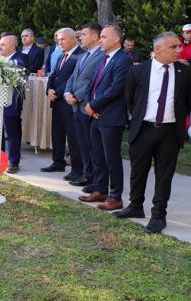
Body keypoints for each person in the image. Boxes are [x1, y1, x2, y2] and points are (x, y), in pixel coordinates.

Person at [116, 32, 191, 233]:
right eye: (173, 47)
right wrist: (140, 118)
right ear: (158, 49)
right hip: (143, 129)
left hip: (169, 132)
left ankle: (159, 216)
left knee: (164, 175)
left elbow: (187, 103)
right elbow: (130, 99)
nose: (179, 50)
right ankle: (135, 206)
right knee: (138, 171)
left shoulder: (185, 73)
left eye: (179, 46)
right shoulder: (138, 72)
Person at [78, 24, 132, 211]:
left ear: (116, 40)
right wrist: (87, 103)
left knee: (112, 158)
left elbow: (116, 89)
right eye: (100, 37)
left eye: (103, 37)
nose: (100, 40)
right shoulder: (104, 58)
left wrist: (93, 105)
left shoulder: (123, 60)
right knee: (98, 156)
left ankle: (115, 197)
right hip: (96, 115)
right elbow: (91, 84)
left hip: (111, 117)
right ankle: (100, 190)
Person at [64, 23, 104, 187]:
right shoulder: (82, 56)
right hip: (76, 106)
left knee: (91, 145)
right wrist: (67, 93)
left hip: (87, 106)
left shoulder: (102, 56)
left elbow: (93, 82)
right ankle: (86, 174)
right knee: (82, 143)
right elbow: (73, 78)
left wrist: (77, 96)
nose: (80, 37)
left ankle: (95, 177)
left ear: (95, 37)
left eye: (84, 34)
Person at [43, 28, 84, 176]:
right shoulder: (62, 56)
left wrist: (58, 92)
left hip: (69, 102)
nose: (60, 42)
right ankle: (58, 162)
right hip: (57, 102)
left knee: (73, 137)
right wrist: (48, 89)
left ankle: (76, 168)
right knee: (57, 133)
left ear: (74, 39)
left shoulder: (80, 55)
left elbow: (72, 79)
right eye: (58, 40)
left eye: (63, 39)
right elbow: (54, 75)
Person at [0, 35, 26, 173]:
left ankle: (14, 162)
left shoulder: (20, 59)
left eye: (3, 44)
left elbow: (19, 77)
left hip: (11, 103)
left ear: (12, 46)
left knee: (12, 133)